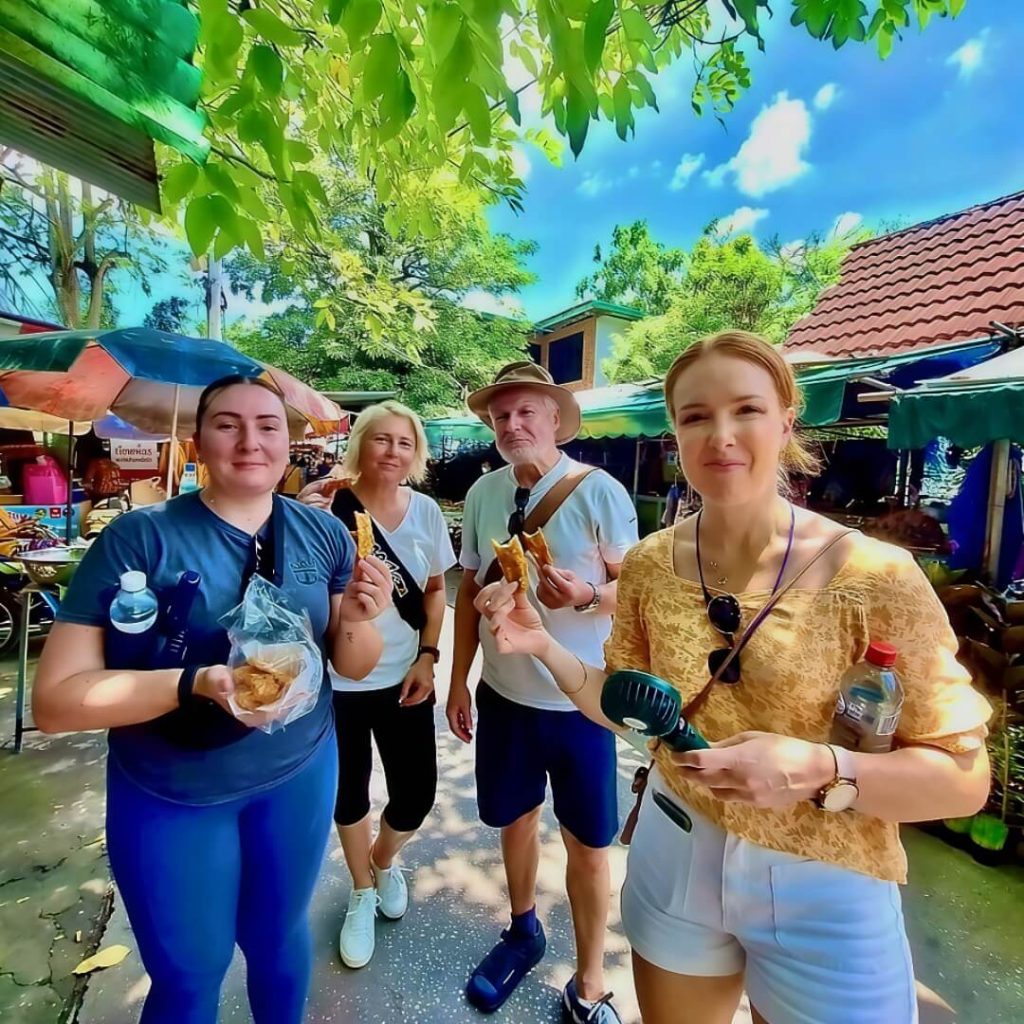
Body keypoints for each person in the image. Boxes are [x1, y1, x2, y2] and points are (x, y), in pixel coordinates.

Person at [474, 331, 992, 1024]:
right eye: (694, 417)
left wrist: (820, 767)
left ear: (785, 421)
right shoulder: (653, 565)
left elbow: (963, 779)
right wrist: (542, 645)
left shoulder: (876, 576)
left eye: (745, 409)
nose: (720, 435)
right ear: (675, 435)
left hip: (828, 875)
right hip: (675, 846)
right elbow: (624, 702)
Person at [32, 375, 393, 1024]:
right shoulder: (139, 540)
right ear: (198, 442)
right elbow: (56, 703)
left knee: (279, 940)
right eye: (228, 424)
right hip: (172, 796)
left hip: (299, 777)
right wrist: (193, 683)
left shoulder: (325, 534)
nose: (250, 440)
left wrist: (366, 618)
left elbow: (351, 661)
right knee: (190, 976)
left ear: (290, 444)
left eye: (268, 426)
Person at [448, 362, 639, 1022]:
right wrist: (458, 682)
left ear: (556, 419)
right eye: (501, 416)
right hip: (505, 698)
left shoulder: (599, 492)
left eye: (527, 412)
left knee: (589, 843)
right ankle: (523, 927)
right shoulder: (483, 496)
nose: (512, 424)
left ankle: (590, 982)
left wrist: (587, 594)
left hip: (581, 704)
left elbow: (634, 588)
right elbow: (468, 598)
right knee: (516, 818)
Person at [297, 400, 455, 969]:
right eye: (381, 439)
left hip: (403, 678)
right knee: (349, 792)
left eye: (404, 442)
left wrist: (429, 656)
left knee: (415, 793)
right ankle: (362, 889)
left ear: (417, 454)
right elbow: (292, 581)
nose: (392, 451)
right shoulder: (327, 505)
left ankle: (383, 860)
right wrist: (297, 517)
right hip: (334, 682)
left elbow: (435, 589)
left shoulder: (427, 513)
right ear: (360, 443)